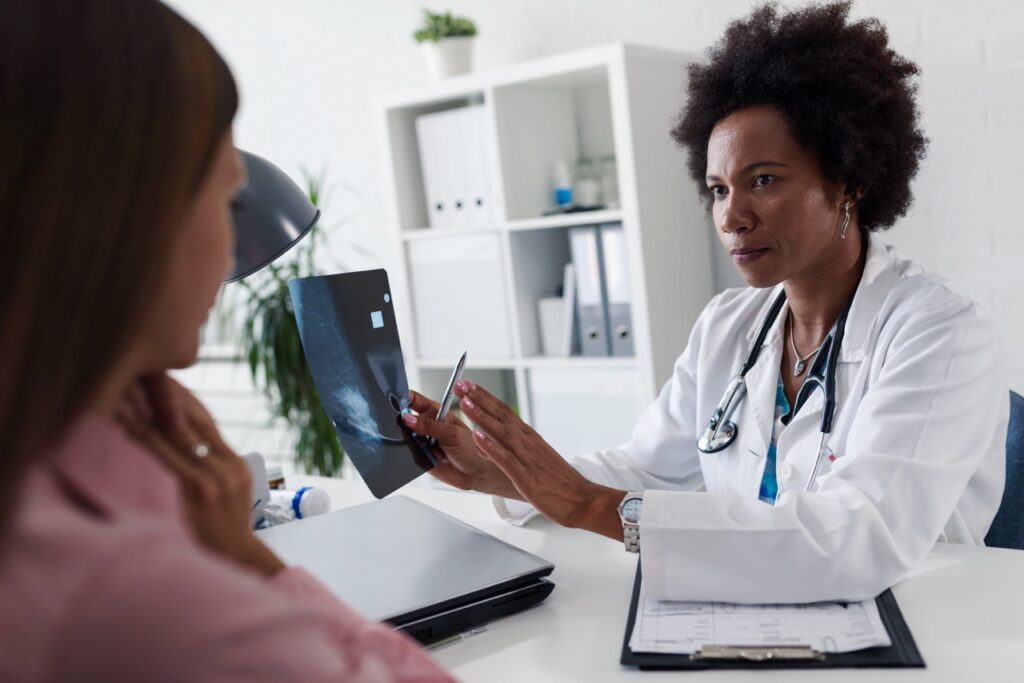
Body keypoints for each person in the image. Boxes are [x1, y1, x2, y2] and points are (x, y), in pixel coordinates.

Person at [404, 0, 1008, 604]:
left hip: (918, 628)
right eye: (718, 189)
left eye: (763, 180)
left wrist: (587, 504)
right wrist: (498, 470)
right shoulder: (729, 325)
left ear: (849, 180)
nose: (731, 217)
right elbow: (646, 470)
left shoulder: (939, 333)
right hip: (758, 614)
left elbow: (853, 540)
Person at [0, 1, 452, 680]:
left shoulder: (77, 450)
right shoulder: (132, 597)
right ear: (134, 219)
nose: (234, 252)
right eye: (228, 194)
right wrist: (247, 556)